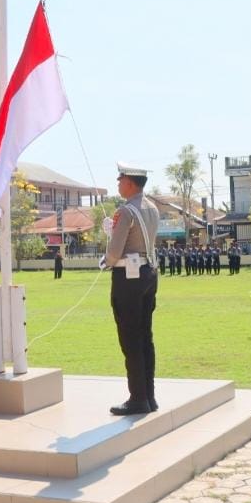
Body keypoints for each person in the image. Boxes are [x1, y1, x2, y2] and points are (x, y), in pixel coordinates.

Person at [101, 163, 160, 416]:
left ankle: (137, 398)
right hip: (148, 273)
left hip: (128, 276)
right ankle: (148, 395)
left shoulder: (126, 211)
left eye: (120, 179)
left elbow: (115, 251)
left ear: (130, 183)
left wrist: (106, 261)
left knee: (130, 338)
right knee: (145, 336)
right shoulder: (152, 207)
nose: (118, 183)